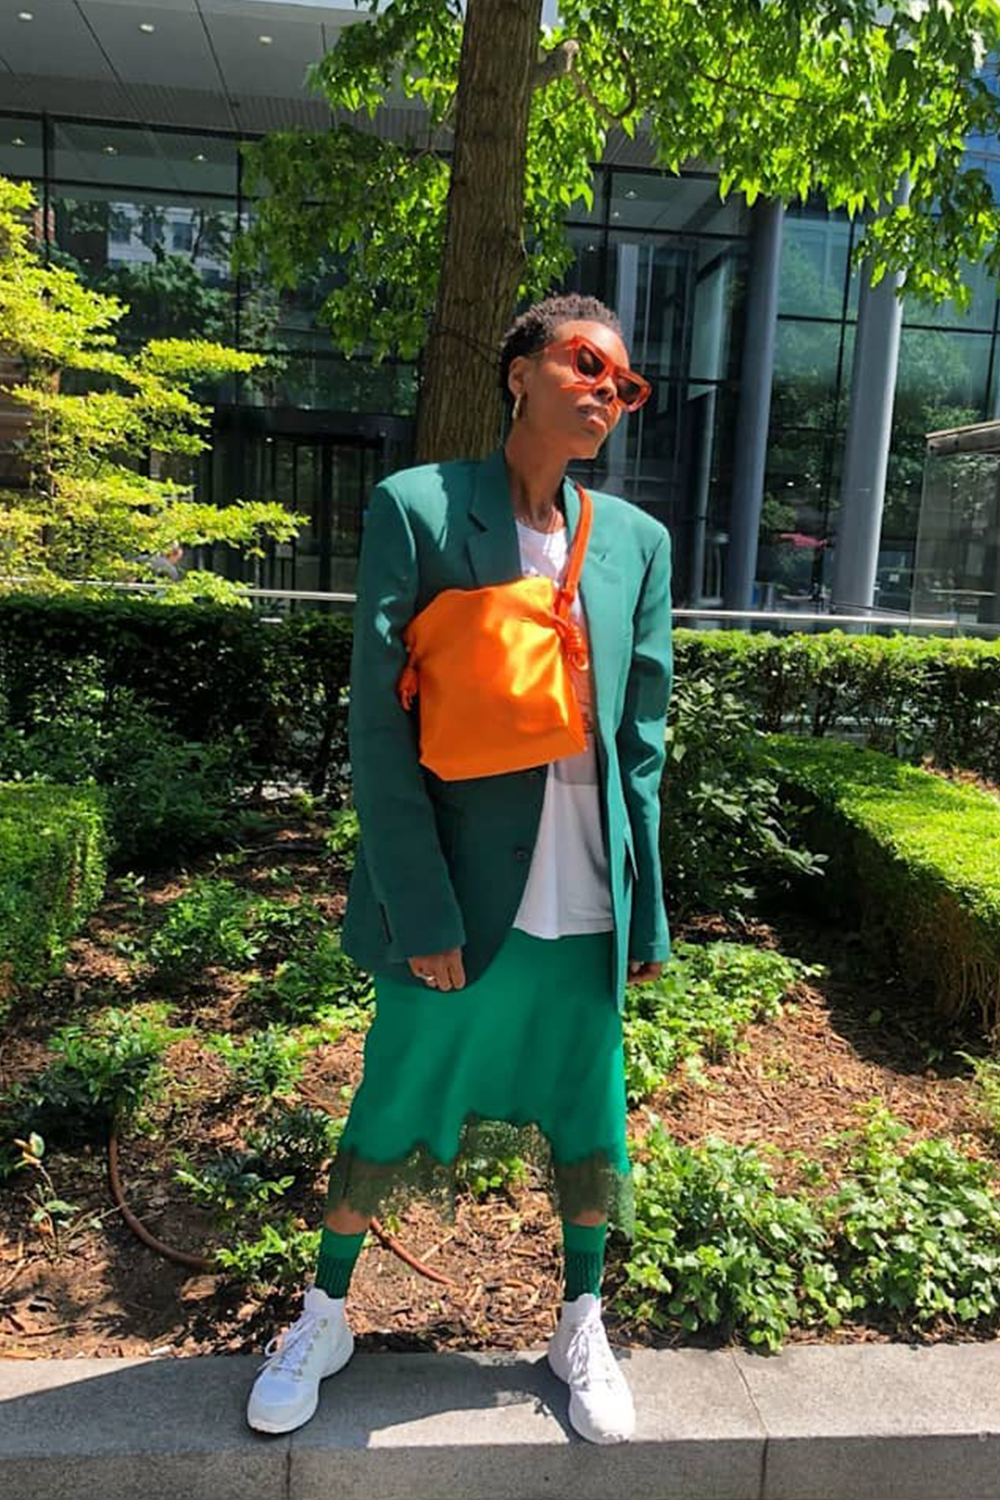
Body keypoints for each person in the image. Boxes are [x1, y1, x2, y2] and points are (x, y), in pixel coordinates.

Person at [246, 294, 674, 1445]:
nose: (607, 392)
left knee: (588, 1114)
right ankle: (324, 1314)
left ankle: (578, 1320)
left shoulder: (635, 544)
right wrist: (418, 906)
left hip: (588, 891)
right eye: (585, 364)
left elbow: (640, 743)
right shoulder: (421, 508)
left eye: (625, 383)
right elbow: (380, 733)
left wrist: (645, 915)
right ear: (519, 371)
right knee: (393, 1098)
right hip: (462, 894)